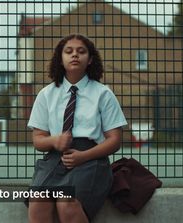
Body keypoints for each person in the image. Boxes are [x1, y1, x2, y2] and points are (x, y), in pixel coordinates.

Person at [27, 34, 127, 223]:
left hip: (91, 159)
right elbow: (38, 139)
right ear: (61, 58)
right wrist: (54, 141)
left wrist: (83, 157)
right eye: (69, 51)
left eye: (81, 52)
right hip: (55, 157)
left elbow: (114, 141)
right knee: (38, 201)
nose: (75, 55)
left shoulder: (103, 94)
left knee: (67, 201)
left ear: (89, 60)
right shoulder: (46, 95)